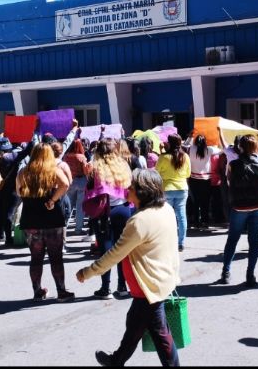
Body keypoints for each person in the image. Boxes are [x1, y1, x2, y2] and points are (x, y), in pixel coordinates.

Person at [77, 169, 180, 367]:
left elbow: (115, 253)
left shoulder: (139, 221)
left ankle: (118, 361)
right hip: (158, 280)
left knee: (158, 333)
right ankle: (116, 360)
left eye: (131, 187)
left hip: (148, 286)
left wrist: (88, 272)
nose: (127, 189)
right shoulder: (166, 208)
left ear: (143, 192)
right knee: (136, 325)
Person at [16, 143, 74, 302]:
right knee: (56, 257)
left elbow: (18, 190)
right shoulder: (53, 170)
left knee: (36, 258)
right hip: (52, 218)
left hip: (31, 219)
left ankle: (37, 291)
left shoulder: (23, 172)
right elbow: (66, 184)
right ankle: (61, 291)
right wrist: (52, 200)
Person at [86, 139, 134, 299]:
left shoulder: (96, 168)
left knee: (105, 252)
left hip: (105, 212)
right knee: (122, 250)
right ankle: (122, 286)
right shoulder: (124, 165)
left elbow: (93, 191)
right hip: (124, 209)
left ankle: (105, 288)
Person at [219, 134, 258, 287]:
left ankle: (226, 272)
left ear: (240, 146)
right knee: (254, 241)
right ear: (255, 147)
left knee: (232, 239)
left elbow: (228, 182)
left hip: (239, 206)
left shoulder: (233, 164)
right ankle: (250, 274)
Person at [156, 134, 191, 252]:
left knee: (167, 217)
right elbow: (188, 174)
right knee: (181, 216)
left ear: (169, 143)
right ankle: (181, 243)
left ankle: (168, 241)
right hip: (182, 188)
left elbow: (156, 172)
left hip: (167, 189)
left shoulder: (163, 157)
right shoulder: (185, 156)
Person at [188, 135, 217, 230]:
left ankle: (196, 222)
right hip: (206, 179)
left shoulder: (191, 149)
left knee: (196, 201)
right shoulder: (209, 149)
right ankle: (205, 221)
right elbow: (222, 149)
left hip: (193, 179)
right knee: (205, 202)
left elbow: (185, 145)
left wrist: (190, 137)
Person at [63, 139, 91, 235]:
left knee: (68, 205)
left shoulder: (66, 157)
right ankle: (78, 229)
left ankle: (64, 226)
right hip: (81, 181)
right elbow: (85, 171)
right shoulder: (82, 157)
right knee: (80, 206)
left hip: (70, 181)